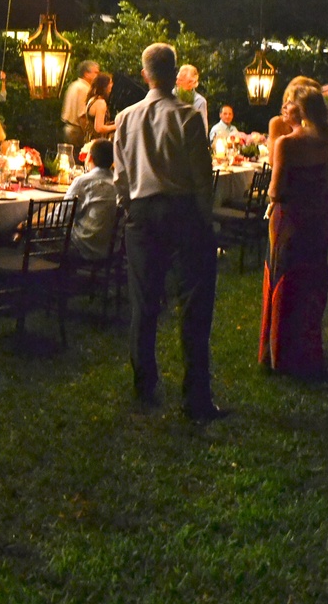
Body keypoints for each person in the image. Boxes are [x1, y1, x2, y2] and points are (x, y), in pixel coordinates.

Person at [114, 42, 224, 421]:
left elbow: (121, 177)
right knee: (194, 303)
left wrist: (132, 208)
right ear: (175, 73)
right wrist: (205, 221)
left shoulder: (126, 118)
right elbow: (201, 179)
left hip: (143, 215)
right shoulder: (188, 117)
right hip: (182, 212)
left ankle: (144, 384)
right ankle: (195, 395)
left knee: (144, 302)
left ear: (146, 74)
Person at [259, 85, 328, 378]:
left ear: (300, 111)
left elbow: (276, 189)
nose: (285, 107)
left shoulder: (287, 143)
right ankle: (308, 351)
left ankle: (280, 354)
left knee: (284, 280)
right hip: (317, 218)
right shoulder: (327, 136)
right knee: (312, 282)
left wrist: (270, 198)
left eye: (290, 103)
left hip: (290, 218)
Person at [65, 138, 118, 260]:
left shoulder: (83, 181)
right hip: (110, 249)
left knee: (33, 236)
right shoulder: (118, 183)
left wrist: (28, 223)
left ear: (89, 158)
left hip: (82, 247)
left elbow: (61, 216)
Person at [267, 76, 320, 165]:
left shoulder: (324, 130)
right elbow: (273, 162)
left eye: (291, 101)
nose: (285, 106)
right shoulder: (277, 123)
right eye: (287, 100)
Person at [61, 60, 100, 149]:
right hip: (77, 132)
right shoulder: (84, 89)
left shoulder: (74, 85)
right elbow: (82, 116)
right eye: (96, 73)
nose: (98, 75)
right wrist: (88, 136)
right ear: (86, 74)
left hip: (69, 128)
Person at [174, 64, 208, 134]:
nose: (177, 82)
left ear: (191, 82)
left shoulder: (199, 101)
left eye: (181, 80)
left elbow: (203, 130)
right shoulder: (170, 95)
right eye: (177, 79)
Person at [85, 72, 117, 140]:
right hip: (97, 141)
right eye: (110, 82)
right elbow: (99, 128)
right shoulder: (100, 103)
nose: (112, 85)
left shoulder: (92, 99)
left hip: (89, 139)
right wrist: (116, 126)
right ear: (105, 86)